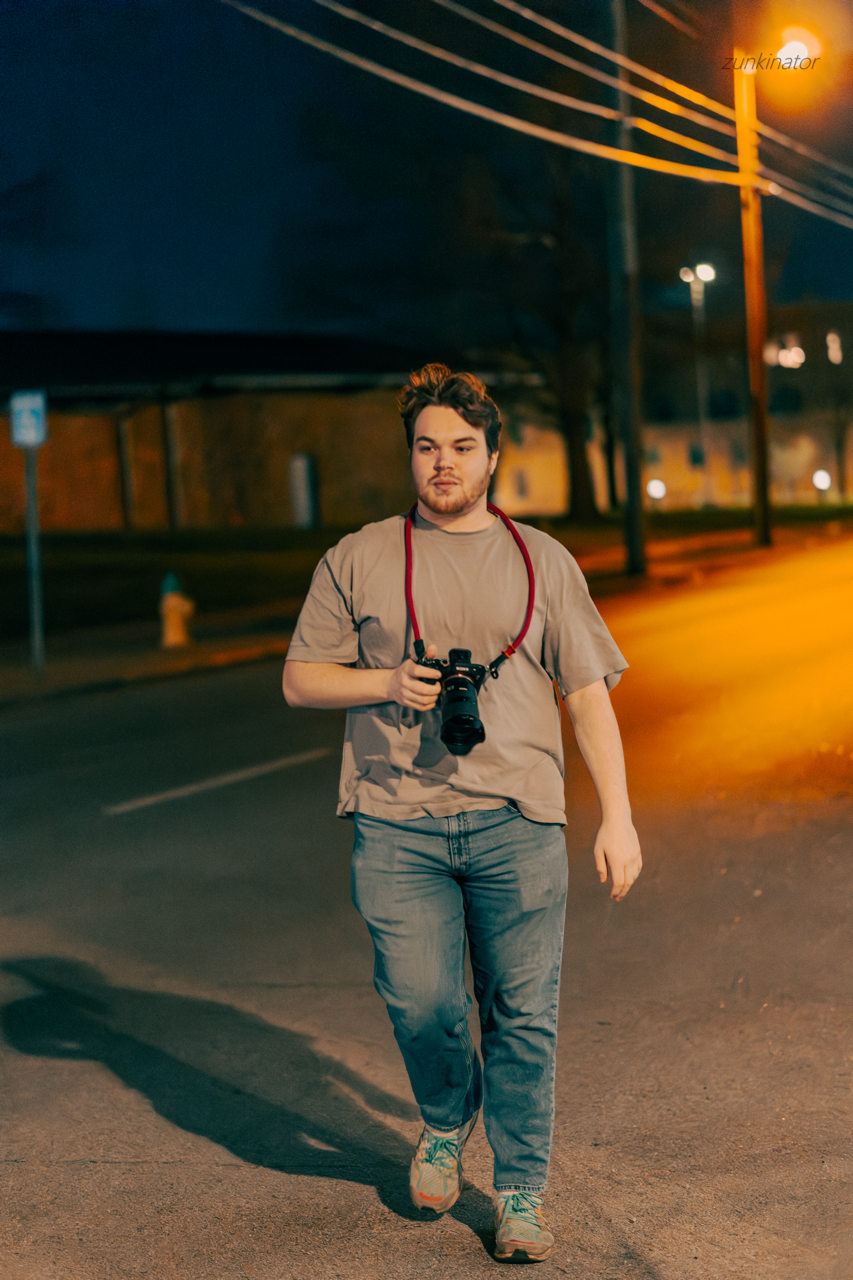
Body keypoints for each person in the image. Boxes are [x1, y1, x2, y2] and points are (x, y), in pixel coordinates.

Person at [282, 364, 642, 1263]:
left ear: (491, 456)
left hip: (518, 819)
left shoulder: (541, 560)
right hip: (396, 820)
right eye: (426, 447)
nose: (442, 464)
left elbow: (589, 696)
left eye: (461, 448)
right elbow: (298, 679)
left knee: (523, 1012)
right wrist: (382, 680)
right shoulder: (358, 555)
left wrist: (618, 818)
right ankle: (447, 1116)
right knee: (421, 1003)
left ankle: (520, 1195)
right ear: (410, 455)